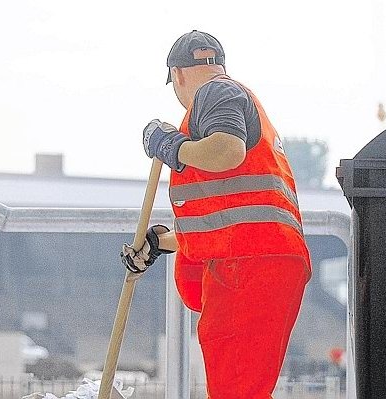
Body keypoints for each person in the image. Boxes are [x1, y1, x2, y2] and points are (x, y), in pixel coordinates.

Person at [121, 30, 311, 399]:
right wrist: (162, 242)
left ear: (177, 75)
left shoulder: (215, 92)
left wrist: (172, 146)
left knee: (236, 392)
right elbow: (234, 217)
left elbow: (227, 152)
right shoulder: (238, 99)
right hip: (258, 259)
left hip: (249, 264)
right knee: (241, 388)